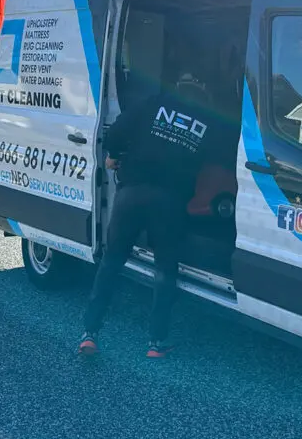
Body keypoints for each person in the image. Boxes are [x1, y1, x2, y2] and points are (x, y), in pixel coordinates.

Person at [77, 73, 218, 358]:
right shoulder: (207, 122)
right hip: (170, 201)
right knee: (165, 268)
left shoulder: (155, 103)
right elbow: (211, 161)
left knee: (112, 260)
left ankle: (89, 334)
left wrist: (113, 156)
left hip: (131, 193)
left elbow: (116, 132)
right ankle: (156, 342)